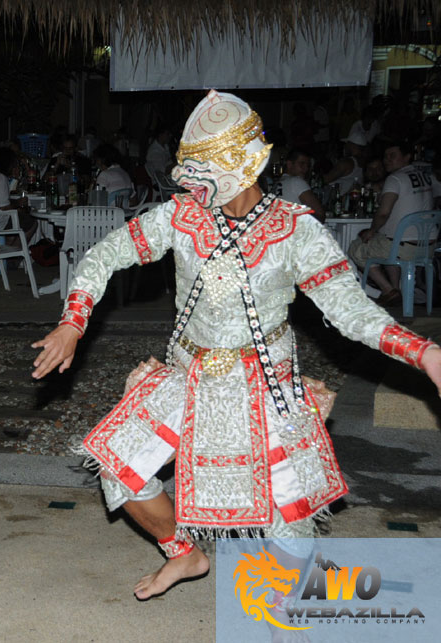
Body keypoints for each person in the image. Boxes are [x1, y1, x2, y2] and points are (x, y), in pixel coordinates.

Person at [31, 90, 441, 601]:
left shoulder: (296, 230)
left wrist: (424, 353)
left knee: (285, 517)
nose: (191, 185)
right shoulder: (179, 217)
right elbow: (101, 256)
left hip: (264, 385)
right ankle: (185, 555)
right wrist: (73, 321)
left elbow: (351, 312)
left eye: (204, 173)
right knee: (119, 470)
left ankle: (287, 615)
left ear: (242, 167)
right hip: (189, 376)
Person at [348, 141, 435, 305]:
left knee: (356, 248)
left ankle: (387, 289)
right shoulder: (425, 176)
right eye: (386, 156)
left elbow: (383, 212)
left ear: (407, 157)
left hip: (406, 246)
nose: (387, 160)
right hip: (428, 246)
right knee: (387, 241)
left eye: (392, 156)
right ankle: (397, 291)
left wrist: (371, 230)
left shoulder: (395, 178)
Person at [277, 148, 325, 221]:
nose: (305, 169)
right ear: (289, 164)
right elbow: (320, 214)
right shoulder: (296, 181)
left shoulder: (276, 183)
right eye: (302, 164)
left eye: (308, 165)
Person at [324, 129, 366, 194]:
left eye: (346, 144)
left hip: (335, 198)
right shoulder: (365, 162)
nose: (345, 146)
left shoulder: (346, 163)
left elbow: (325, 180)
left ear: (351, 145)